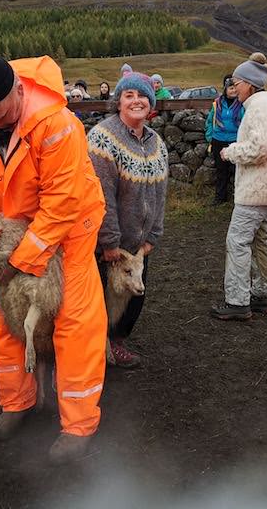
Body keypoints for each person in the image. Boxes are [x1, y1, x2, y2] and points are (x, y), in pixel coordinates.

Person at [0, 51, 107, 464]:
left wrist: (19, 260)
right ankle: (17, 403)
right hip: (8, 226)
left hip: (69, 230)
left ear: (18, 90)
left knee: (73, 323)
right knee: (4, 317)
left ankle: (79, 424)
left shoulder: (57, 125)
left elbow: (63, 202)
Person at [87, 71, 168, 368]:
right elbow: (100, 194)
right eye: (129, 95)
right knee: (100, 302)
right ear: (118, 102)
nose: (137, 101)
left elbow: (161, 191)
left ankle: (116, 343)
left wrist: (153, 236)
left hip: (138, 247)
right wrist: (108, 241)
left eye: (142, 95)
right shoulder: (102, 139)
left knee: (134, 299)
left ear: (151, 102)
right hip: (108, 247)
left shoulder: (157, 143)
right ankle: (94, 351)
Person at [211, 53, 267, 321]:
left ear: (250, 84)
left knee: (238, 240)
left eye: (237, 82)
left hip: (256, 190)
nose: (234, 88)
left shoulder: (259, 107)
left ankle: (238, 301)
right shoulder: (265, 105)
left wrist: (231, 152)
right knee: (259, 241)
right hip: (265, 189)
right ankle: (261, 295)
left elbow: (261, 148)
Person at [204, 75, 244, 205]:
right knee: (221, 171)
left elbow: (245, 122)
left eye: (235, 88)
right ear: (225, 89)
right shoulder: (217, 104)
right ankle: (220, 198)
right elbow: (210, 121)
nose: (233, 91)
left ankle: (239, 200)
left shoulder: (242, 104)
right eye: (230, 88)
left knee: (238, 172)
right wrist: (210, 137)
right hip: (218, 140)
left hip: (235, 141)